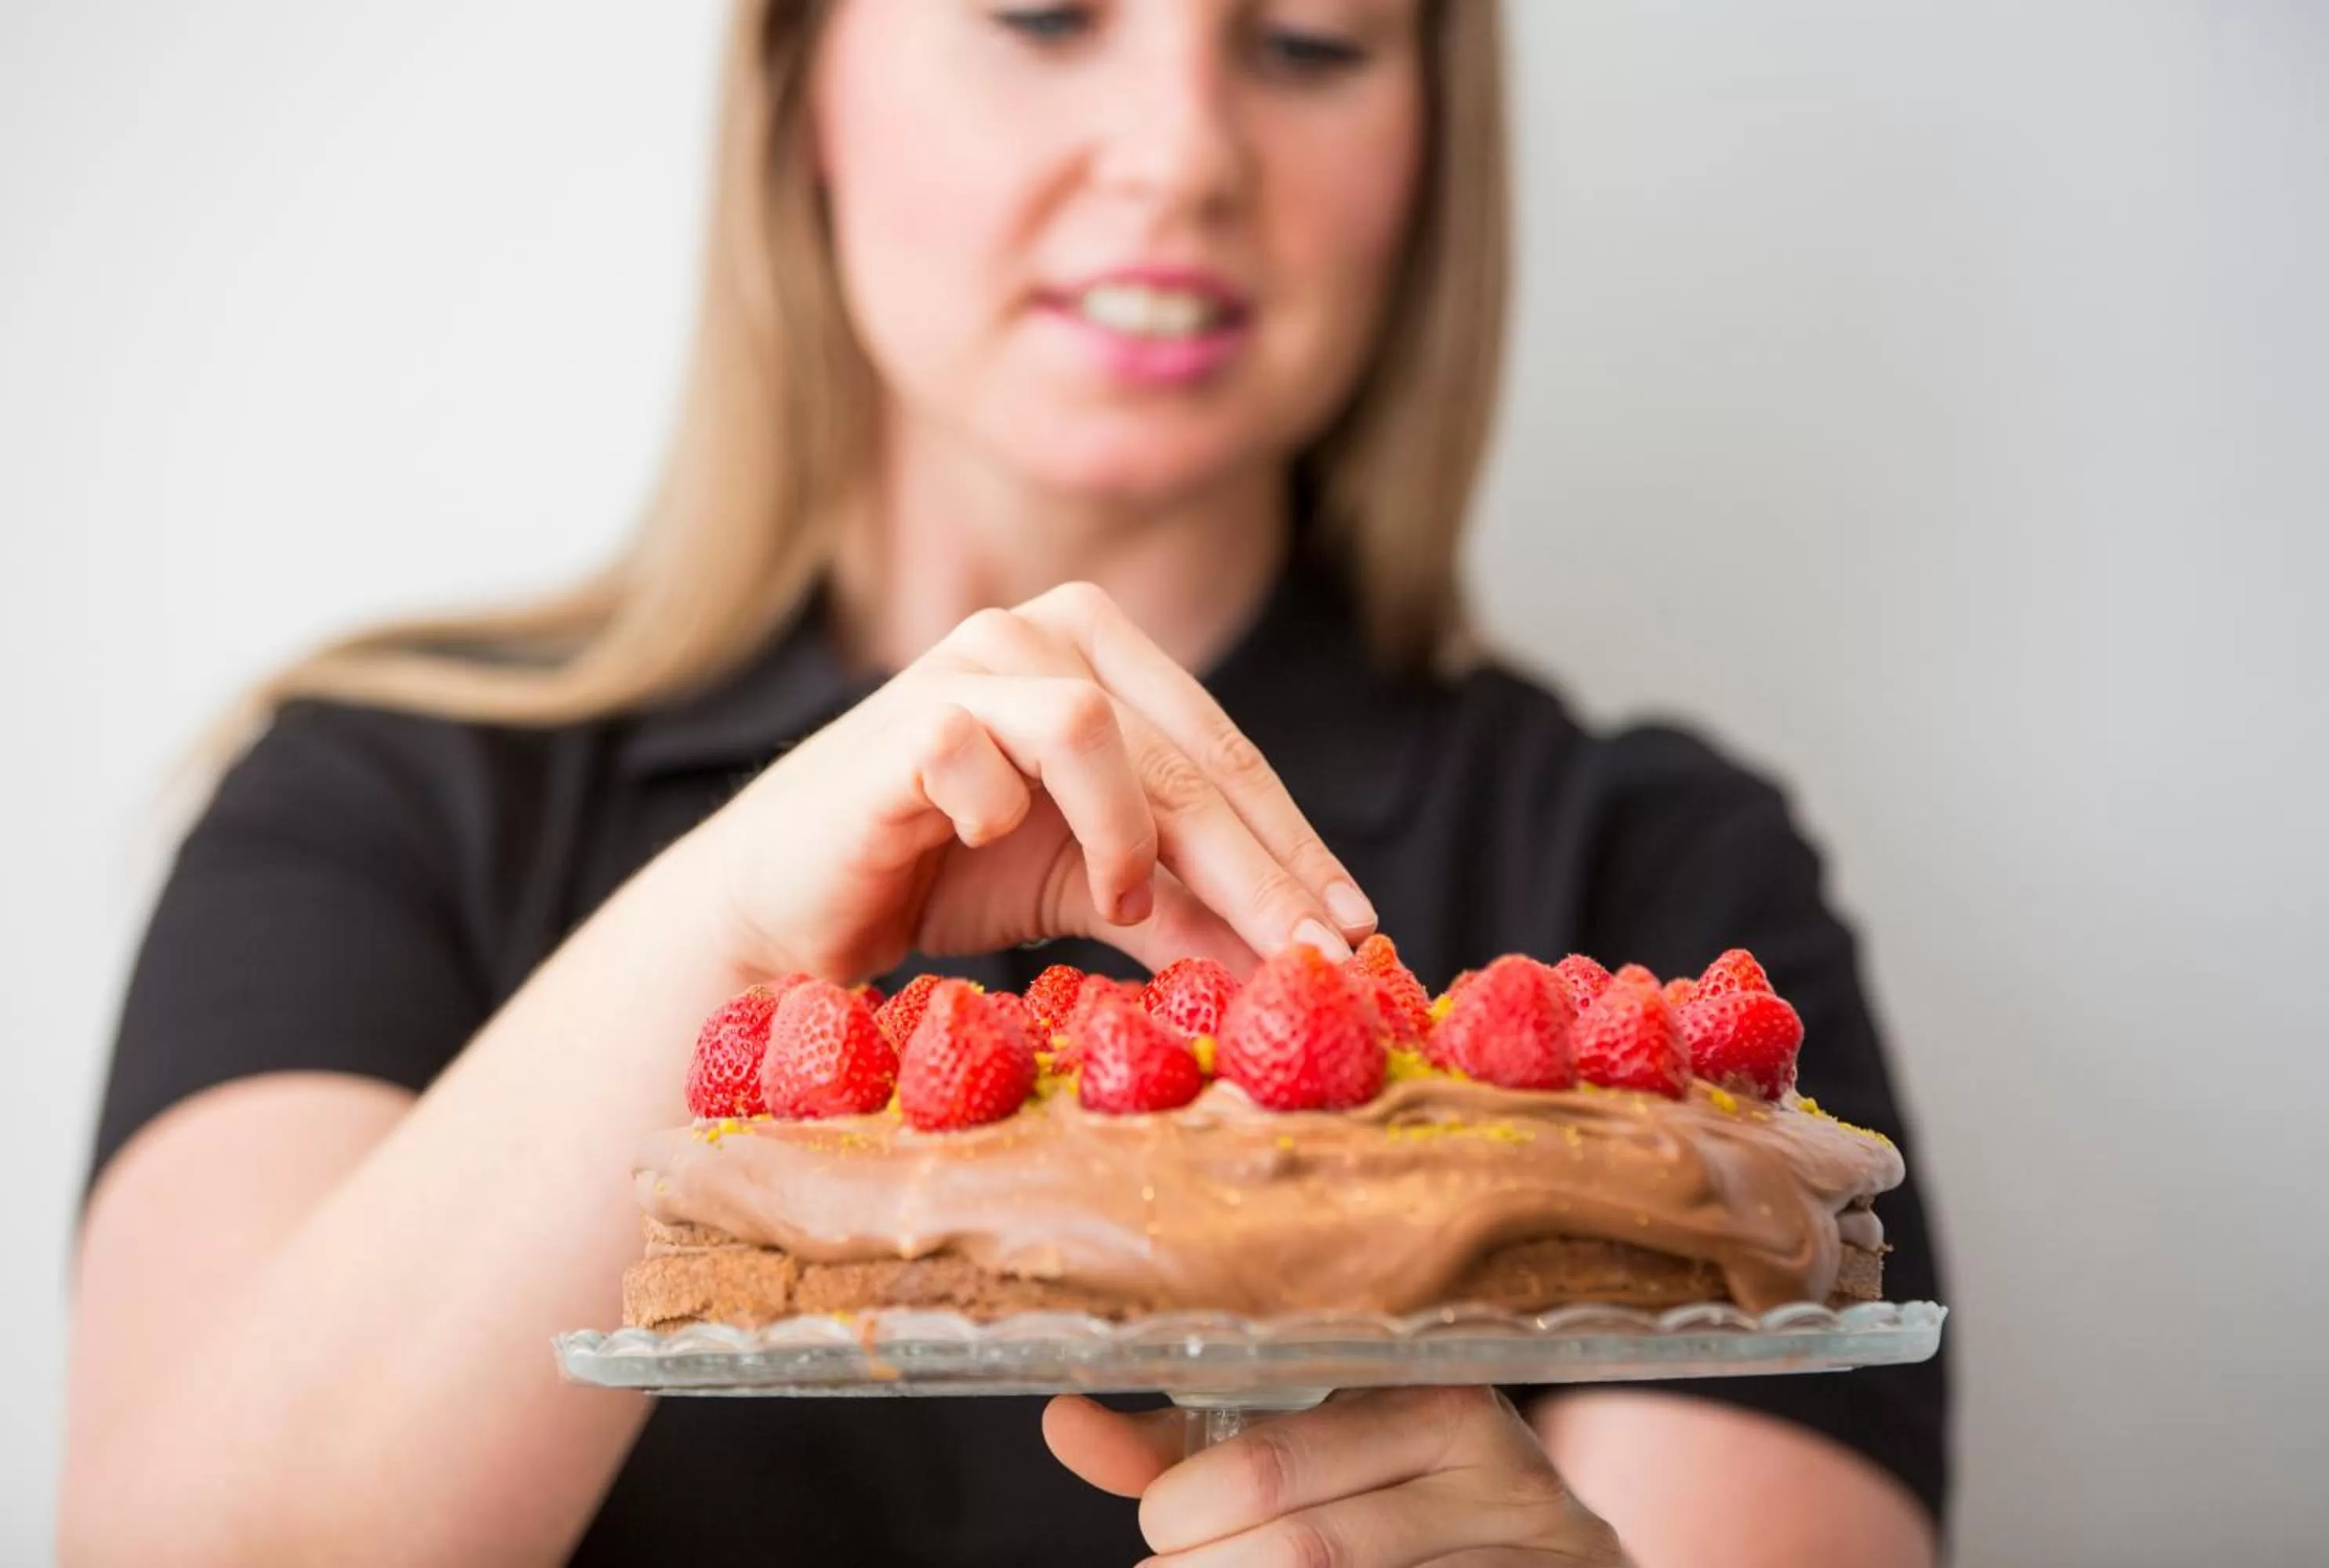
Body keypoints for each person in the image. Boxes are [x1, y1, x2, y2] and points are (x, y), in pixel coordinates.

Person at [60, 2, 1946, 1563]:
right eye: (1043, 15)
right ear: (806, 88)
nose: (1185, 151)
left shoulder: (1655, 880)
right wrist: (720, 921)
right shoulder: (378, 803)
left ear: (1434, 152)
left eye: (1310, 42)